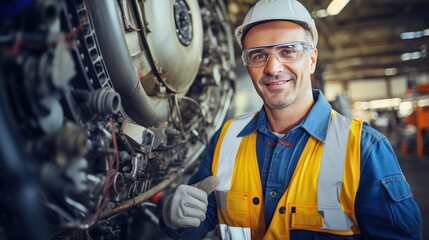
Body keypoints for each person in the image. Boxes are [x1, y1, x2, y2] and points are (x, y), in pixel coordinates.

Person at [159, 0, 422, 239]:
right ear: (248, 65)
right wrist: (176, 221)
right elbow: (199, 219)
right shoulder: (227, 137)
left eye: (288, 51)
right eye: (259, 55)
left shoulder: (364, 148)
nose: (273, 68)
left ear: (312, 60)